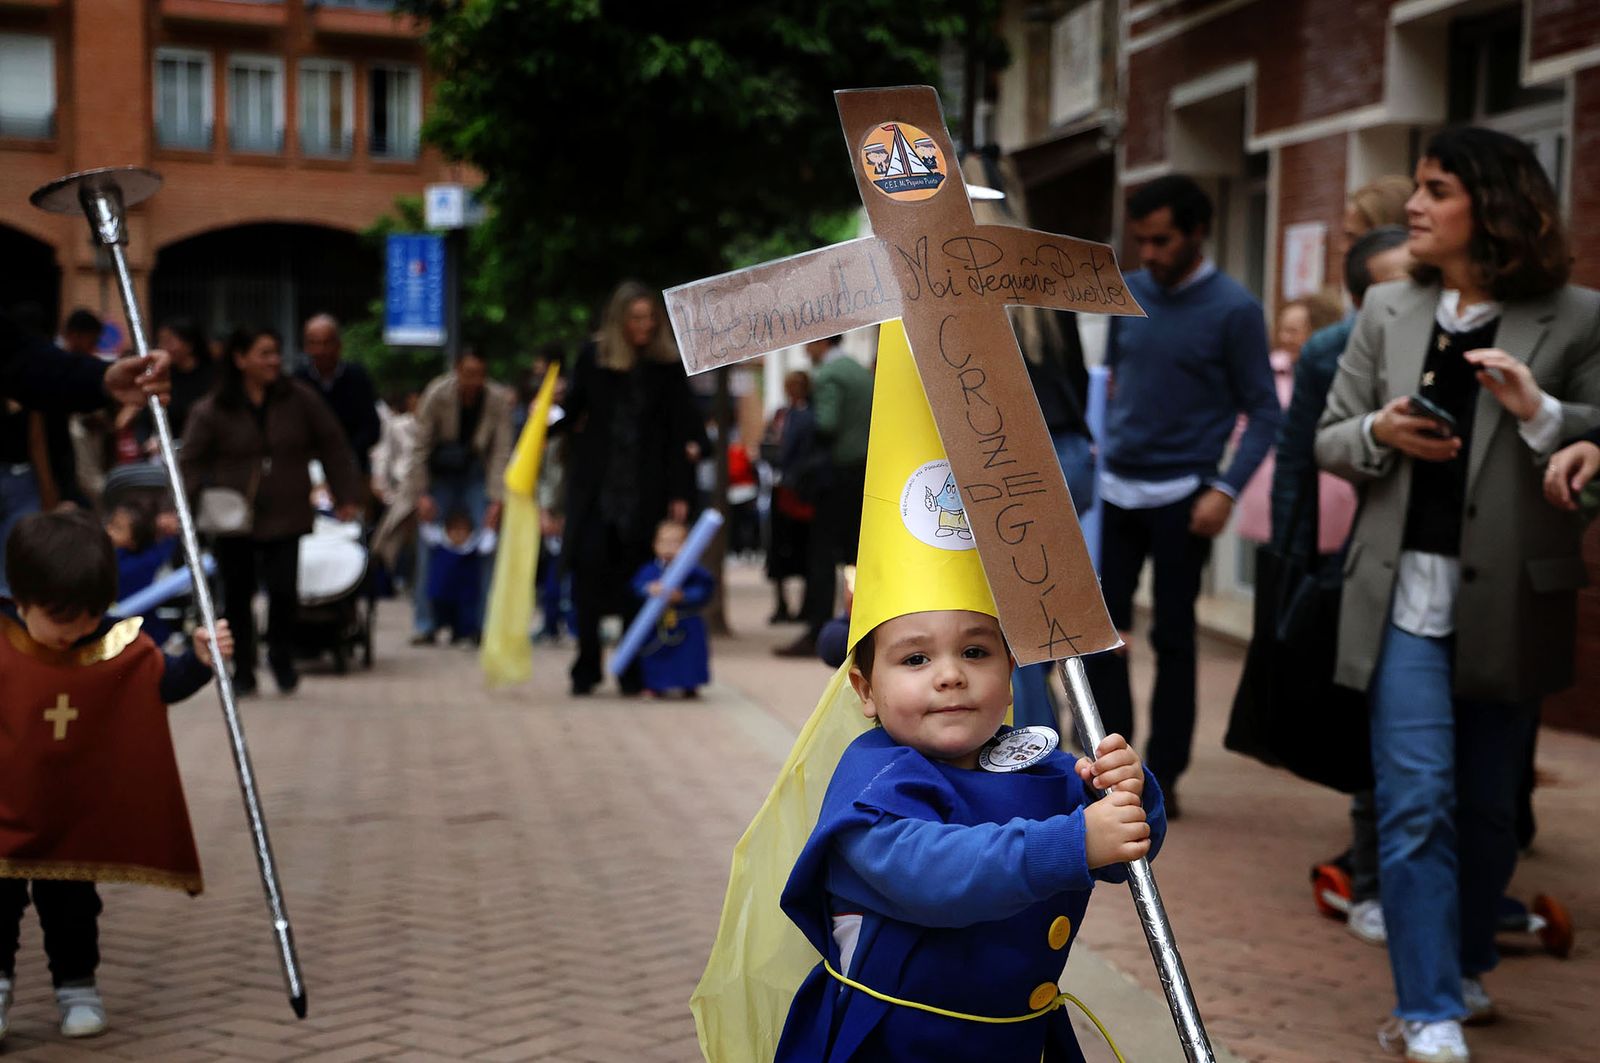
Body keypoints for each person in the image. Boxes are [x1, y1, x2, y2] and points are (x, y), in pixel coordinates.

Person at [765, 325, 1166, 1063]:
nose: (949, 674)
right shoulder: (874, 784)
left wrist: (1132, 796)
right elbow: (941, 873)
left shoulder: (1041, 765)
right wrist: (1074, 841)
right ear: (865, 689)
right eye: (916, 658)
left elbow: (1120, 855)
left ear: (1012, 668)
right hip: (894, 1049)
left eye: (976, 651)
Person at [1316, 127, 1600, 1063]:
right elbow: (1329, 435)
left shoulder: (1578, 317)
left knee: (1488, 811)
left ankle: (1469, 957)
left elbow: (1596, 450)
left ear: (1495, 205)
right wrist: (1380, 432)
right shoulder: (1388, 307)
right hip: (1399, 597)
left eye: (1437, 188)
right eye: (1419, 187)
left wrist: (1543, 415)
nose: (1415, 204)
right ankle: (1427, 1003)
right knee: (1416, 803)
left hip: (1510, 600)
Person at [1081, 174, 1280, 808]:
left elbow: (1265, 412)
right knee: (1101, 637)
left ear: (1198, 233)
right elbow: (1110, 381)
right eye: (1140, 240)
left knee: (1174, 638)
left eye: (1162, 240)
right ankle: (1108, 770)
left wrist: (1226, 488)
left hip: (1184, 498)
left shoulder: (1235, 310)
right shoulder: (1129, 292)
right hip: (1115, 492)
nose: (1149, 253)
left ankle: (1163, 778)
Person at [0, 510, 229, 1042]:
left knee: (73, 906)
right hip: (6, 807)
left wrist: (200, 662)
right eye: (59, 618)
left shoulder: (117, 646)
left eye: (87, 617)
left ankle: (77, 988)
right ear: (23, 601)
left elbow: (158, 685)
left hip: (75, 815)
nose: (73, 632)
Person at [180, 326, 362, 696]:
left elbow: (333, 444)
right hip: (234, 517)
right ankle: (243, 668)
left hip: (286, 510)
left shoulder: (299, 398)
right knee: (237, 595)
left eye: (276, 352)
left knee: (283, 591)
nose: (274, 361)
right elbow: (191, 462)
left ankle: (281, 657)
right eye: (264, 353)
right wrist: (176, 509)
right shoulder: (213, 407)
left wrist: (346, 495)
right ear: (240, 358)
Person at [563, 281, 702, 695]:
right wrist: (543, 425)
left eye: (650, 318)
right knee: (587, 576)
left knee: (636, 581)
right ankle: (587, 664)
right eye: (637, 317)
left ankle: (630, 669)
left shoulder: (666, 366)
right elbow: (571, 412)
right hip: (598, 490)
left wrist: (680, 492)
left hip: (646, 491)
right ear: (620, 319)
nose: (645, 325)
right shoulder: (593, 358)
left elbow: (682, 432)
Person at [406, 349, 515, 646]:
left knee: (487, 542)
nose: (473, 381)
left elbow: (502, 450)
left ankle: (482, 623)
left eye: (479, 375)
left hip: (477, 472)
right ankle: (426, 622)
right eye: (468, 374)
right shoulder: (436, 393)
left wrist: (497, 499)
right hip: (439, 472)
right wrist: (421, 493)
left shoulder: (497, 400)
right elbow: (419, 446)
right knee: (428, 543)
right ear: (457, 370)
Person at [777, 335, 872, 659]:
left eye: (808, 344)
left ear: (821, 343)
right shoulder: (859, 370)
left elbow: (827, 423)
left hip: (836, 477)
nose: (805, 350)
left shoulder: (830, 374)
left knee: (821, 554)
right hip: (861, 472)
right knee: (855, 554)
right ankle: (861, 625)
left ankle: (818, 629)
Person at [1233, 291, 1345, 545]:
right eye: (1282, 330)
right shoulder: (1265, 373)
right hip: (1269, 485)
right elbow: (1242, 421)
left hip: (1328, 490)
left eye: (1294, 331)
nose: (1285, 338)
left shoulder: (1340, 375)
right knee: (1273, 558)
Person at [630, 518, 714, 698]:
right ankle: (655, 686)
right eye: (665, 542)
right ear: (655, 545)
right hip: (658, 623)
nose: (669, 547)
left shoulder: (693, 570)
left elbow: (704, 589)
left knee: (688, 656)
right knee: (655, 655)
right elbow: (636, 586)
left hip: (685, 621)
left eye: (676, 543)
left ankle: (689, 685)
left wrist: (684, 595)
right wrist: (648, 588)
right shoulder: (650, 570)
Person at [295, 314, 382, 477]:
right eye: (314, 343)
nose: (321, 350)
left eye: (326, 343)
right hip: (307, 469)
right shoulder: (298, 381)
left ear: (338, 345)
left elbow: (372, 428)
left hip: (352, 465)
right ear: (306, 347)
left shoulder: (357, 378)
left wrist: (346, 453)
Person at [764, 370, 815, 624]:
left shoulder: (807, 416)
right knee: (778, 549)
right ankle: (782, 604)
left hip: (799, 491)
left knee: (803, 548)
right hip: (782, 489)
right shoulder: (782, 415)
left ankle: (805, 605)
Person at [419, 509, 496, 645]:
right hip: (441, 593)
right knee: (440, 613)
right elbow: (426, 531)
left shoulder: (473, 546)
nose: (459, 534)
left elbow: (487, 546)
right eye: (455, 530)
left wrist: (490, 527)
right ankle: (434, 629)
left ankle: (464, 634)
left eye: (463, 530)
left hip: (465, 594)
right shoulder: (440, 541)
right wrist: (426, 516)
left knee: (465, 617)